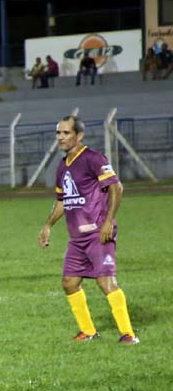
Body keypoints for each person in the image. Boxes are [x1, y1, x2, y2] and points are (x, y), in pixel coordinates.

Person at [38, 115, 138, 345]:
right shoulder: (63, 166)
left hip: (97, 233)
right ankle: (88, 332)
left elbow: (117, 188)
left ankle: (128, 335)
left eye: (66, 133)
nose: (60, 137)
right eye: (58, 133)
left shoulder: (93, 158)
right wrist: (47, 225)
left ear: (79, 135)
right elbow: (63, 200)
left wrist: (108, 221)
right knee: (69, 283)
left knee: (105, 282)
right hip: (77, 238)